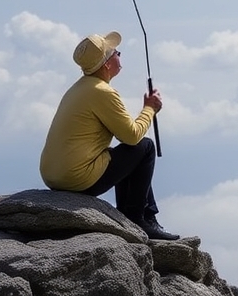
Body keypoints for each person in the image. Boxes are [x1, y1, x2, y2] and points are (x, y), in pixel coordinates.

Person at [40, 30, 179, 241]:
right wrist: (150, 108)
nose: (120, 56)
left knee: (124, 154)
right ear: (106, 64)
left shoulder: (77, 89)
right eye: (116, 53)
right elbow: (132, 137)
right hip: (78, 179)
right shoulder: (102, 92)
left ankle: (138, 215)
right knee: (144, 147)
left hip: (53, 176)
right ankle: (138, 218)